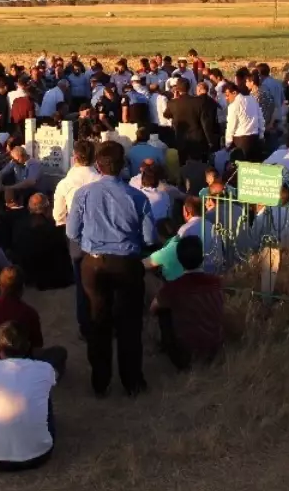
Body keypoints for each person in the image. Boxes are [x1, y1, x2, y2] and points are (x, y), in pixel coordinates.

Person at [66, 140, 157, 396]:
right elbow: (150, 238)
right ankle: (132, 382)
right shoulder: (137, 197)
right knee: (129, 324)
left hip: (94, 263)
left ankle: (100, 381)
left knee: (98, 321)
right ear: (123, 166)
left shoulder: (83, 194)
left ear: (98, 165)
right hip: (127, 263)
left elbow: (72, 231)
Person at [0, 321, 60, 472]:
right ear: (27, 347)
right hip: (41, 454)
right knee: (44, 389)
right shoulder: (44, 369)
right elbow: (55, 376)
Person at [150, 235, 224, 370]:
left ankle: (167, 349)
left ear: (179, 260)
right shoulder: (216, 282)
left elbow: (153, 308)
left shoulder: (173, 288)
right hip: (215, 351)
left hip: (185, 357)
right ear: (202, 257)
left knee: (163, 310)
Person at [0, 266, 68, 372]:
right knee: (59, 352)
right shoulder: (29, 313)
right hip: (19, 368)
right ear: (22, 288)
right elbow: (36, 346)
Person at [12, 193, 74, 290]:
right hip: (50, 279)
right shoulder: (55, 229)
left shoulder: (19, 225)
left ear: (29, 208)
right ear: (47, 209)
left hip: (28, 275)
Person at [223, 82, 264, 161]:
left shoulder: (234, 105)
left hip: (241, 141)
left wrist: (227, 144)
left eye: (227, 95)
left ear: (234, 93)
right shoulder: (252, 100)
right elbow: (260, 118)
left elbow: (231, 126)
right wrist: (261, 135)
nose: (226, 98)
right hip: (255, 138)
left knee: (241, 168)